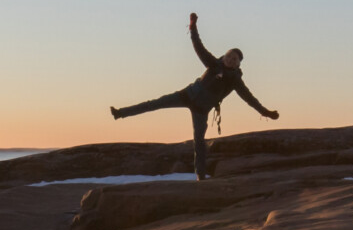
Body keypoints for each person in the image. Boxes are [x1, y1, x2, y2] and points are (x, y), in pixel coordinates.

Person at [109, 13, 280, 179]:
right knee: (154, 103)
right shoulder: (214, 64)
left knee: (199, 142)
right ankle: (120, 113)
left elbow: (250, 99)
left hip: (201, 110)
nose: (230, 60)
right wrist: (193, 27)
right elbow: (199, 47)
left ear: (239, 64)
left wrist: (267, 113)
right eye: (229, 56)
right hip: (186, 95)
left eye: (235, 59)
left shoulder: (235, 81)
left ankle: (200, 175)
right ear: (224, 56)